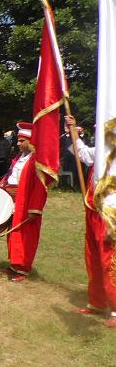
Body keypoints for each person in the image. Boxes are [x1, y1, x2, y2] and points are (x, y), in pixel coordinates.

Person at [65, 115, 116, 326]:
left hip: (110, 212)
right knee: (93, 256)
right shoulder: (100, 151)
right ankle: (97, 301)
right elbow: (84, 154)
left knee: (109, 259)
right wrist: (73, 132)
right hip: (92, 210)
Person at [0, 122, 47, 282]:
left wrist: (35, 208)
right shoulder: (19, 158)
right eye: (18, 140)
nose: (17, 144)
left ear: (31, 141)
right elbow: (10, 176)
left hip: (26, 202)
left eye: (21, 141)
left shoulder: (37, 161)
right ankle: (14, 264)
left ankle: (23, 268)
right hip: (12, 199)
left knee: (25, 235)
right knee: (13, 233)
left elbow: (40, 187)